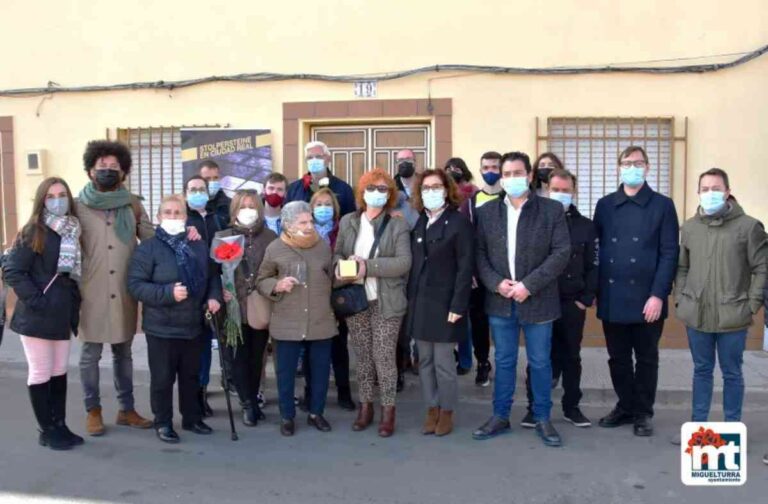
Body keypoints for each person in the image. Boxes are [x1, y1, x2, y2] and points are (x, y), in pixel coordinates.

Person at [472, 151, 570, 447]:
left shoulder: (551, 210)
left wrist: (529, 284)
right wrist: (495, 283)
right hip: (501, 301)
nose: (512, 178)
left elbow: (561, 253)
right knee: (503, 361)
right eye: (507, 174)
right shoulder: (487, 212)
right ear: (501, 178)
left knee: (540, 362)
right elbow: (480, 254)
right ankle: (500, 416)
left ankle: (542, 418)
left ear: (529, 175)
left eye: (518, 173)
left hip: (537, 300)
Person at [594, 145, 679, 437]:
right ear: (619, 167)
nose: (632, 167)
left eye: (638, 162)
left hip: (648, 298)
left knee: (646, 358)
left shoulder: (663, 205)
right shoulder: (604, 205)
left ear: (647, 167)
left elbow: (669, 253)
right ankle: (625, 406)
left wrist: (658, 294)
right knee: (617, 357)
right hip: (612, 296)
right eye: (627, 162)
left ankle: (643, 412)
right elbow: (597, 250)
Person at [127, 195, 222, 443]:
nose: (172, 217)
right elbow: (136, 286)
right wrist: (167, 293)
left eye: (177, 213)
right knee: (162, 378)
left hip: (193, 324)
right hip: (162, 327)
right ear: (158, 218)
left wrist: (214, 297)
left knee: (191, 376)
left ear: (185, 217)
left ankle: (191, 418)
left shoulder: (197, 245)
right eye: (167, 213)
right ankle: (163, 422)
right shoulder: (147, 248)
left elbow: (212, 276)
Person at [75, 140, 154, 436]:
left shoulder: (132, 204)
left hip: (124, 290)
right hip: (90, 292)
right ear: (90, 170)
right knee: (89, 356)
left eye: (113, 167)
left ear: (123, 172)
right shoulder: (76, 205)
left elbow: (150, 241)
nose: (107, 171)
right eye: (101, 167)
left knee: (124, 354)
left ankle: (126, 409)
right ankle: (92, 410)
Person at [676, 168, 766, 424]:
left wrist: (752, 305)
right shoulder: (691, 227)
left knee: (732, 373)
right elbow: (682, 267)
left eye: (716, 189)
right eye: (704, 189)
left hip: (734, 315)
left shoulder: (749, 227)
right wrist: (682, 300)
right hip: (697, 314)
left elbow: (762, 267)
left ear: (727, 192)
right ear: (698, 193)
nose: (710, 194)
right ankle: (698, 426)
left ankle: (732, 428)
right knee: (702, 371)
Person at [3, 177, 83, 450]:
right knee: (40, 371)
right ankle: (46, 430)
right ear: (42, 200)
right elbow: (13, 270)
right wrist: (37, 300)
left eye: (62, 194)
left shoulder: (71, 230)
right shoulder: (33, 231)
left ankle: (60, 424)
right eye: (50, 196)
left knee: (59, 371)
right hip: (37, 314)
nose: (57, 200)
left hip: (62, 313)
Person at [335, 167, 411, 437]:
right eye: (371, 188)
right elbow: (338, 256)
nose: (376, 194)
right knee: (364, 357)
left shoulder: (398, 223)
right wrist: (344, 268)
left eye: (382, 189)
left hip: (387, 301)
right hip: (356, 301)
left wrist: (367, 266)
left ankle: (388, 411)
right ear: (362, 191)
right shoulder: (348, 221)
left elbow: (403, 263)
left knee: (383, 357)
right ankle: (365, 407)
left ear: (390, 194)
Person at [522, 169, 598, 429]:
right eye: (556, 190)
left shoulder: (586, 226)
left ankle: (571, 407)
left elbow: (593, 265)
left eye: (566, 190)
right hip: (541, 299)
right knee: (539, 357)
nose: (560, 195)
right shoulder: (535, 221)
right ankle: (534, 408)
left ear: (573, 192)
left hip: (571, 302)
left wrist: (585, 299)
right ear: (546, 190)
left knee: (571, 357)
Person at [256, 201, 337, 436]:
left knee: (320, 371)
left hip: (320, 318)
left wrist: (344, 272)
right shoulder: (275, 248)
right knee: (285, 372)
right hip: (287, 321)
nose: (309, 225)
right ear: (289, 225)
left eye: (310, 221)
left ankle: (316, 413)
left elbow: (332, 277)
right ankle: (287, 416)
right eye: (303, 222)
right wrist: (277, 284)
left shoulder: (322, 247)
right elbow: (261, 280)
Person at [405, 169, 474, 437]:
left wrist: (458, 306)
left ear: (447, 189)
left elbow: (465, 268)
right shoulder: (420, 222)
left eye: (436, 186)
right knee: (425, 362)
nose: (431, 192)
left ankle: (447, 411)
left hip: (447, 304)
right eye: (426, 187)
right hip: (421, 303)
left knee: (444, 363)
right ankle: (431, 408)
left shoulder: (459, 223)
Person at [214, 190, 277, 426]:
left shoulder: (270, 237)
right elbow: (215, 270)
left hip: (259, 305)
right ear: (234, 210)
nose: (248, 210)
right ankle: (247, 403)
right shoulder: (225, 236)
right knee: (238, 357)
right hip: (233, 306)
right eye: (243, 206)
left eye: (252, 206)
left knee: (256, 356)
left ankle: (253, 396)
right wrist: (221, 289)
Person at [184, 175, 229, 417]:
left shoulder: (218, 219)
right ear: (185, 194)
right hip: (188, 292)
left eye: (202, 189)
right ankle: (189, 394)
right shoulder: (181, 221)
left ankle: (202, 392)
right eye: (193, 189)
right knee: (189, 348)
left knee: (204, 346)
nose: (198, 193)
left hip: (214, 287)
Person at [307, 188, 355, 411]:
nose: (323, 208)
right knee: (312, 349)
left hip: (338, 295)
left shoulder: (342, 230)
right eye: (319, 204)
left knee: (339, 347)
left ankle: (344, 393)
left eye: (327, 204)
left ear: (335, 208)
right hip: (311, 296)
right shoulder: (305, 232)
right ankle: (311, 394)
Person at [459, 151, 503, 387]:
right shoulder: (471, 203)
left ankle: (506, 365)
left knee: (505, 324)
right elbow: (466, 241)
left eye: (495, 166)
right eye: (486, 167)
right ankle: (483, 363)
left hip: (506, 276)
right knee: (479, 323)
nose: (490, 171)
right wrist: (472, 273)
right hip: (479, 276)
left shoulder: (509, 198)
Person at [443, 157, 478, 375]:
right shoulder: (441, 195)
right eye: (448, 169)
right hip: (445, 263)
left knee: (462, 317)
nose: (452, 172)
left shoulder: (473, 195)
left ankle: (465, 360)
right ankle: (450, 355)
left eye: (456, 168)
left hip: (464, 263)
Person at [286, 141, 356, 216]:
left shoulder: (344, 189)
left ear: (328, 159)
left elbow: (350, 219)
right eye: (310, 157)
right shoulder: (294, 189)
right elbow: (287, 216)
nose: (314, 160)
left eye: (318, 156)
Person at [392, 149, 421, 229]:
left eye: (408, 159)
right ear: (396, 164)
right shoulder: (391, 188)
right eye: (400, 160)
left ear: (415, 163)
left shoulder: (425, 184)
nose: (404, 163)